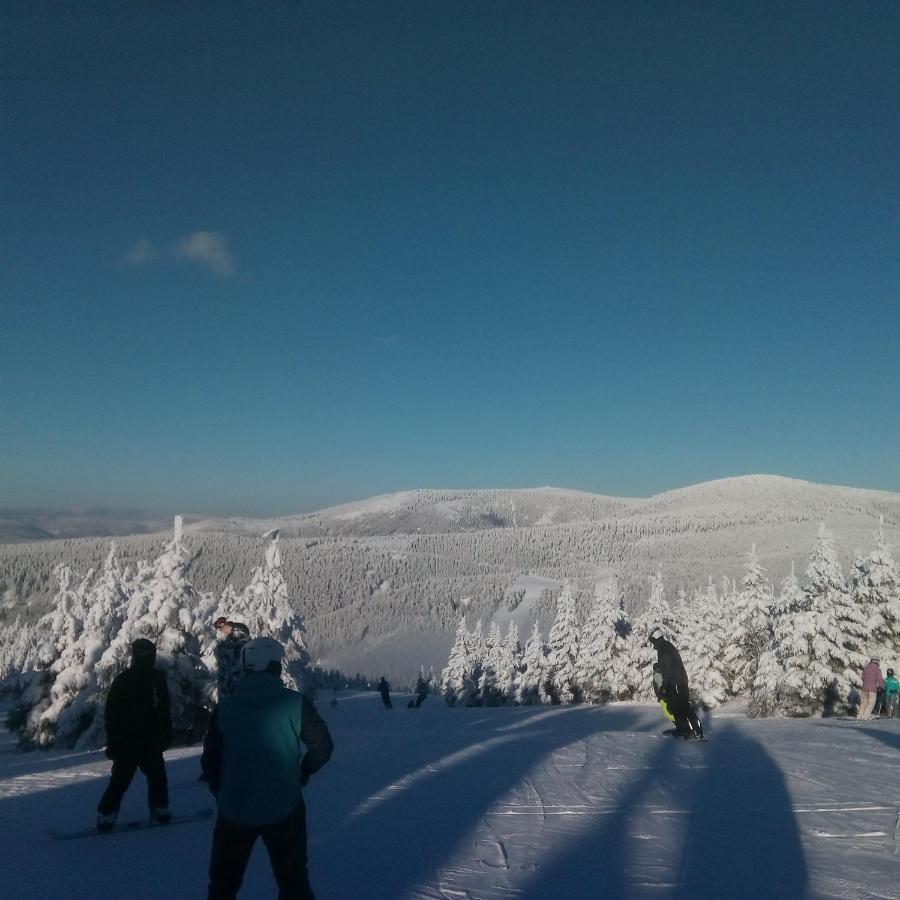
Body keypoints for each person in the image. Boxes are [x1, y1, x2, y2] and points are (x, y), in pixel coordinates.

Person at [202, 637, 333, 900]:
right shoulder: (295, 704)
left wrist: (223, 792)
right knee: (293, 879)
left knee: (223, 883)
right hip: (284, 806)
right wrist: (303, 772)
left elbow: (210, 761)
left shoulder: (226, 708)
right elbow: (322, 747)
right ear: (275, 667)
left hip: (234, 808)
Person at [97, 638, 172, 830]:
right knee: (123, 779)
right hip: (130, 741)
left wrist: (166, 733)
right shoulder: (127, 680)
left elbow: (164, 709)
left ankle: (159, 808)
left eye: (149, 653)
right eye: (144, 654)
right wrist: (113, 740)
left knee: (155, 777)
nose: (147, 657)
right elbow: (112, 713)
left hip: (145, 739)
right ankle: (107, 814)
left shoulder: (155, 679)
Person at [648, 626, 703, 740]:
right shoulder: (665, 647)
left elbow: (668, 669)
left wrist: (664, 686)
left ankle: (696, 731)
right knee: (675, 707)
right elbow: (667, 666)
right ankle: (683, 729)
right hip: (676, 682)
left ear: (655, 637)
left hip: (677, 682)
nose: (652, 643)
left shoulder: (665, 649)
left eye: (651, 640)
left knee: (683, 707)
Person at [214, 617, 250, 700]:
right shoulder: (226, 650)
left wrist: (232, 628)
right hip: (230, 700)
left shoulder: (243, 649)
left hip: (236, 699)